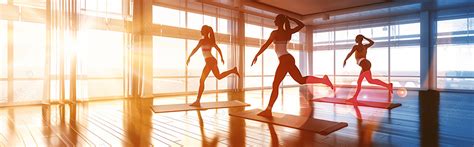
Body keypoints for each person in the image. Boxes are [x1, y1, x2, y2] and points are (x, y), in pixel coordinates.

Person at [252, 14, 333, 117]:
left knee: (275, 84)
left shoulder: (275, 33)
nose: (274, 22)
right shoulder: (287, 32)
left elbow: (266, 45)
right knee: (300, 80)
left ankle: (268, 110)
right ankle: (323, 80)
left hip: (285, 60)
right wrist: (289, 18)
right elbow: (301, 25)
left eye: (275, 20)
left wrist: (257, 55)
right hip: (288, 59)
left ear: (278, 22)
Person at [187, 25, 240, 107]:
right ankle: (233, 70)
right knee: (218, 76)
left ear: (205, 32)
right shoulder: (208, 41)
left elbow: (217, 49)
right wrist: (189, 56)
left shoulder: (205, 41)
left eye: (202, 30)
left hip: (210, 61)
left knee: (202, 80)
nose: (201, 31)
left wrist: (189, 57)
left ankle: (197, 101)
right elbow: (217, 49)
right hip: (211, 61)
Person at [342, 34, 393, 103]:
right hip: (366, 64)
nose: (355, 40)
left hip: (364, 64)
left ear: (358, 39)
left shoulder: (356, 47)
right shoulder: (365, 46)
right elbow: (372, 42)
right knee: (369, 80)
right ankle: (388, 85)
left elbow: (350, 53)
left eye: (356, 39)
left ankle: (354, 98)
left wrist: (345, 60)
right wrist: (364, 37)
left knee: (361, 81)